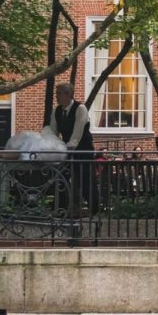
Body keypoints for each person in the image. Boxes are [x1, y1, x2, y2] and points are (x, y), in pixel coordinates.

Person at [47, 83, 97, 216]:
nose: (56, 97)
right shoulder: (56, 111)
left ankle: (94, 208)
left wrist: (67, 148)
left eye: (59, 94)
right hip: (66, 149)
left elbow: (77, 134)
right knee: (62, 177)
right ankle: (61, 208)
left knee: (85, 178)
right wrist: (50, 145)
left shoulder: (80, 109)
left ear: (68, 94)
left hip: (83, 149)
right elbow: (53, 132)